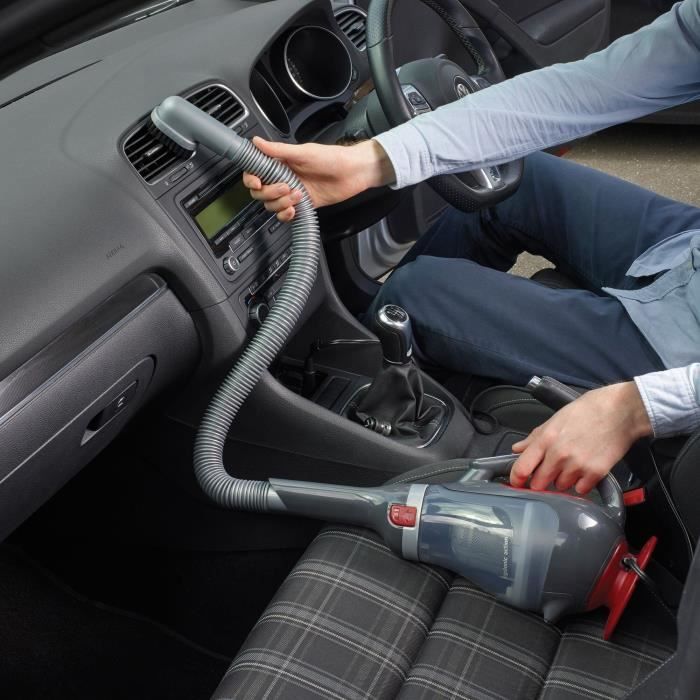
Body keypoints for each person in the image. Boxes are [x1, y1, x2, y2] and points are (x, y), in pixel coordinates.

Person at [243, 0, 700, 495]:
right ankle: (368, 334)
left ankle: (341, 400)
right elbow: (591, 88)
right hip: (687, 251)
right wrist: (374, 159)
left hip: (687, 354)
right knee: (516, 181)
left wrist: (637, 407)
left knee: (415, 295)